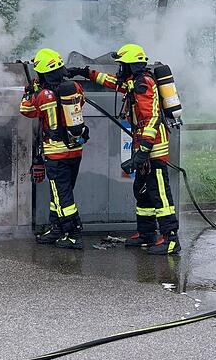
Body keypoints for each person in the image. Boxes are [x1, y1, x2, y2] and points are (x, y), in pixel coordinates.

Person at [67, 43, 180, 255]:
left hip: (153, 147)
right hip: (143, 145)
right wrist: (85, 72)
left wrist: (144, 150)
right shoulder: (133, 82)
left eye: (122, 64)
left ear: (131, 65)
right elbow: (112, 82)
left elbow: (152, 118)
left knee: (160, 194)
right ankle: (146, 234)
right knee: (142, 190)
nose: (120, 68)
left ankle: (170, 239)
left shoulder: (143, 84)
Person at [19, 48, 87, 249]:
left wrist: (29, 91)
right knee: (59, 193)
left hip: (56, 153)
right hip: (75, 149)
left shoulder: (44, 95)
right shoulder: (74, 88)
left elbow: (26, 110)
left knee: (63, 196)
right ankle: (56, 228)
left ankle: (73, 234)